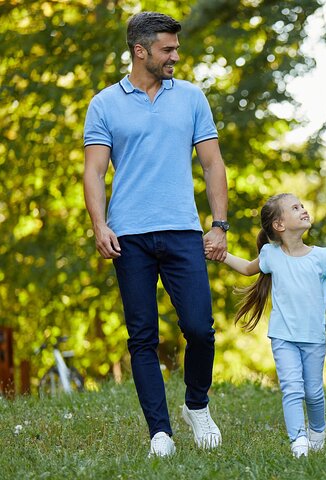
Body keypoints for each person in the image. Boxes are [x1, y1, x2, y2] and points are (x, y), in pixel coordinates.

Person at [83, 11, 228, 457]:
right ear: (139, 51)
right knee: (141, 335)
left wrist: (219, 224)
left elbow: (212, 164)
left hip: (183, 230)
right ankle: (159, 433)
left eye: (176, 48)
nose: (175, 57)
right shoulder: (105, 104)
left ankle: (196, 405)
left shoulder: (190, 97)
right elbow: (94, 170)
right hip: (129, 235)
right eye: (167, 49)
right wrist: (99, 224)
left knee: (200, 330)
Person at [211, 193, 326, 458]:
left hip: (314, 338)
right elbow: (246, 268)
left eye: (302, 205)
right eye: (295, 207)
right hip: (283, 337)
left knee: (313, 392)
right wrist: (220, 255)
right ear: (279, 225)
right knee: (291, 387)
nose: (303, 209)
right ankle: (298, 441)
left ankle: (317, 431)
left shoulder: (322, 256)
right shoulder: (271, 254)